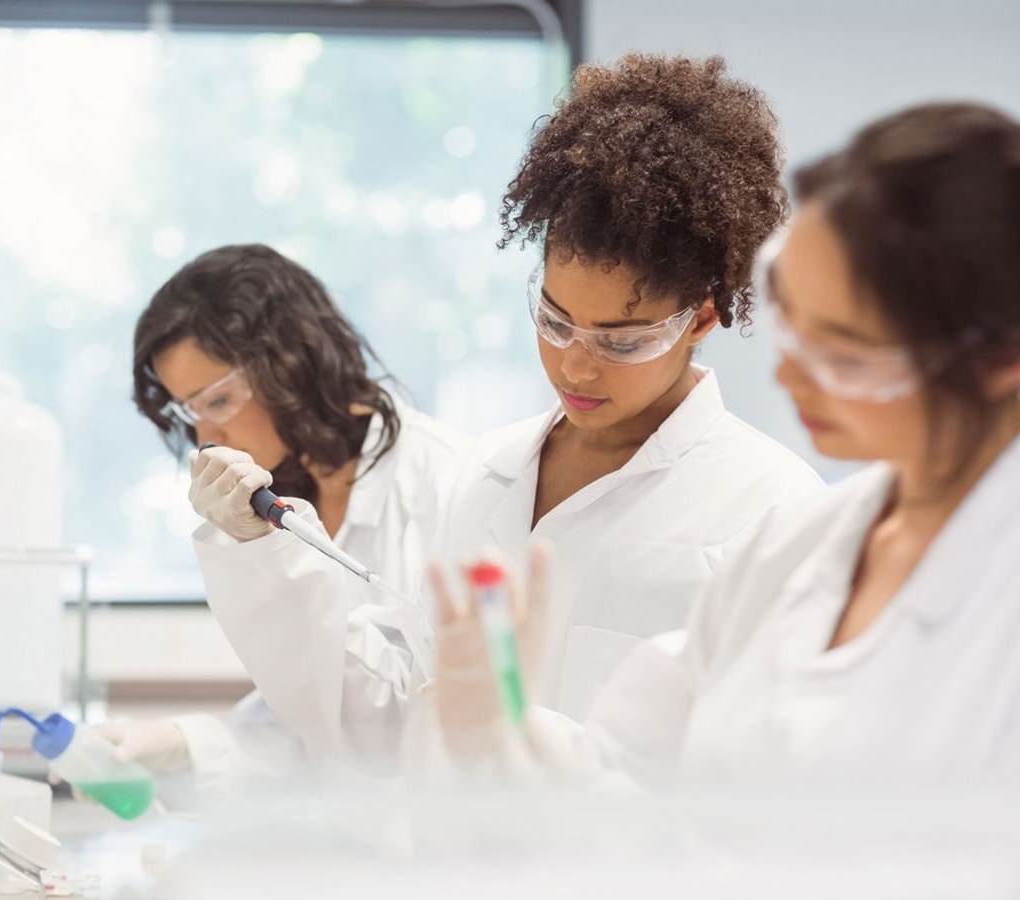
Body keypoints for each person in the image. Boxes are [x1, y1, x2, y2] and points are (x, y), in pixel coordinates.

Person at [188, 53, 820, 769]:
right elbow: (390, 712)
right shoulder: (486, 475)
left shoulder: (772, 511)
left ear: (700, 319)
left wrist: (527, 746)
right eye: (554, 321)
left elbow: (751, 784)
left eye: (623, 340)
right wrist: (262, 553)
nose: (575, 365)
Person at [433, 101, 1020, 784]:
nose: (786, 374)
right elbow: (622, 776)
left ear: (997, 361)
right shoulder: (802, 546)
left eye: (845, 354)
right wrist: (506, 730)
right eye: (791, 326)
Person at [97, 243, 467, 785]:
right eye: (189, 413)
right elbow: (313, 714)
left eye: (218, 403)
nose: (205, 439)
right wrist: (185, 743)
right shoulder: (289, 502)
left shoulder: (446, 482)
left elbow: (401, 721)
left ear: (293, 365)